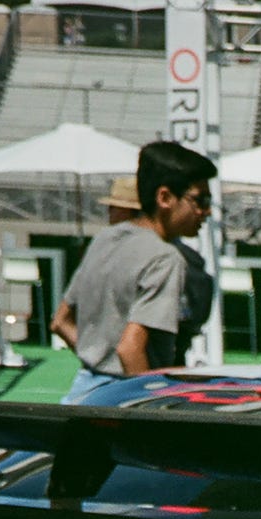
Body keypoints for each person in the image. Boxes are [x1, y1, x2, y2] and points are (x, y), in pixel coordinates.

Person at [50, 137, 213, 404]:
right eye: (200, 200)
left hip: (82, 393)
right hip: (123, 399)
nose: (206, 211)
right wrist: (151, 411)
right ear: (165, 198)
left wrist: (98, 357)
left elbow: (60, 321)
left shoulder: (106, 238)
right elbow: (130, 349)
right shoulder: (165, 258)